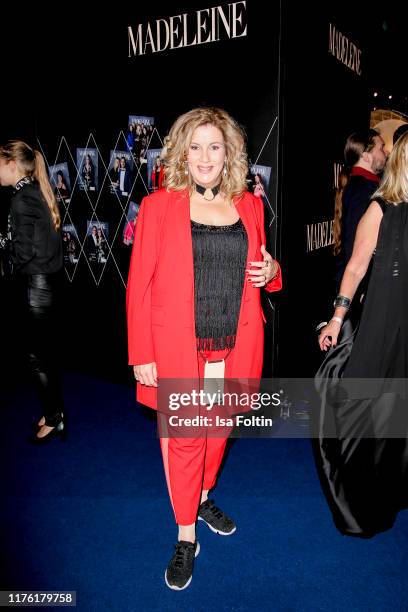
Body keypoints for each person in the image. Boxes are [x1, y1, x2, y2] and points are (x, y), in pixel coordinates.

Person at [126, 107, 282, 590]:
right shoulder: (158, 205)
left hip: (234, 347)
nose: (205, 156)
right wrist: (141, 354)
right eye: (195, 146)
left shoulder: (250, 206)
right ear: (181, 153)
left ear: (229, 152)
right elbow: (140, 285)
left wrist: (274, 272)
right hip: (178, 349)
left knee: (219, 435)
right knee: (188, 440)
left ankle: (203, 493)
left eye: (215, 146)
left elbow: (266, 274)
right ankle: (185, 534)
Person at [316, 131, 408, 538]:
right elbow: (354, 269)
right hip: (383, 323)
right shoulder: (381, 208)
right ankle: (357, 504)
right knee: (364, 404)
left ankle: (391, 490)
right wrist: (336, 319)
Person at [0, 140, 66, 442]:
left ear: (12, 164)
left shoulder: (21, 199)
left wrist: (6, 249)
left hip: (35, 290)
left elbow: (24, 254)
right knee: (44, 356)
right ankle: (53, 412)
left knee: (36, 358)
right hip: (46, 288)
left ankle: (54, 419)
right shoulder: (35, 191)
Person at [333, 129, 387, 294]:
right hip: (361, 287)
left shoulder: (364, 185)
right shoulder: (363, 189)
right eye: (381, 148)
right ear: (365, 155)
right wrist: (363, 290)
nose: (386, 152)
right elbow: (353, 244)